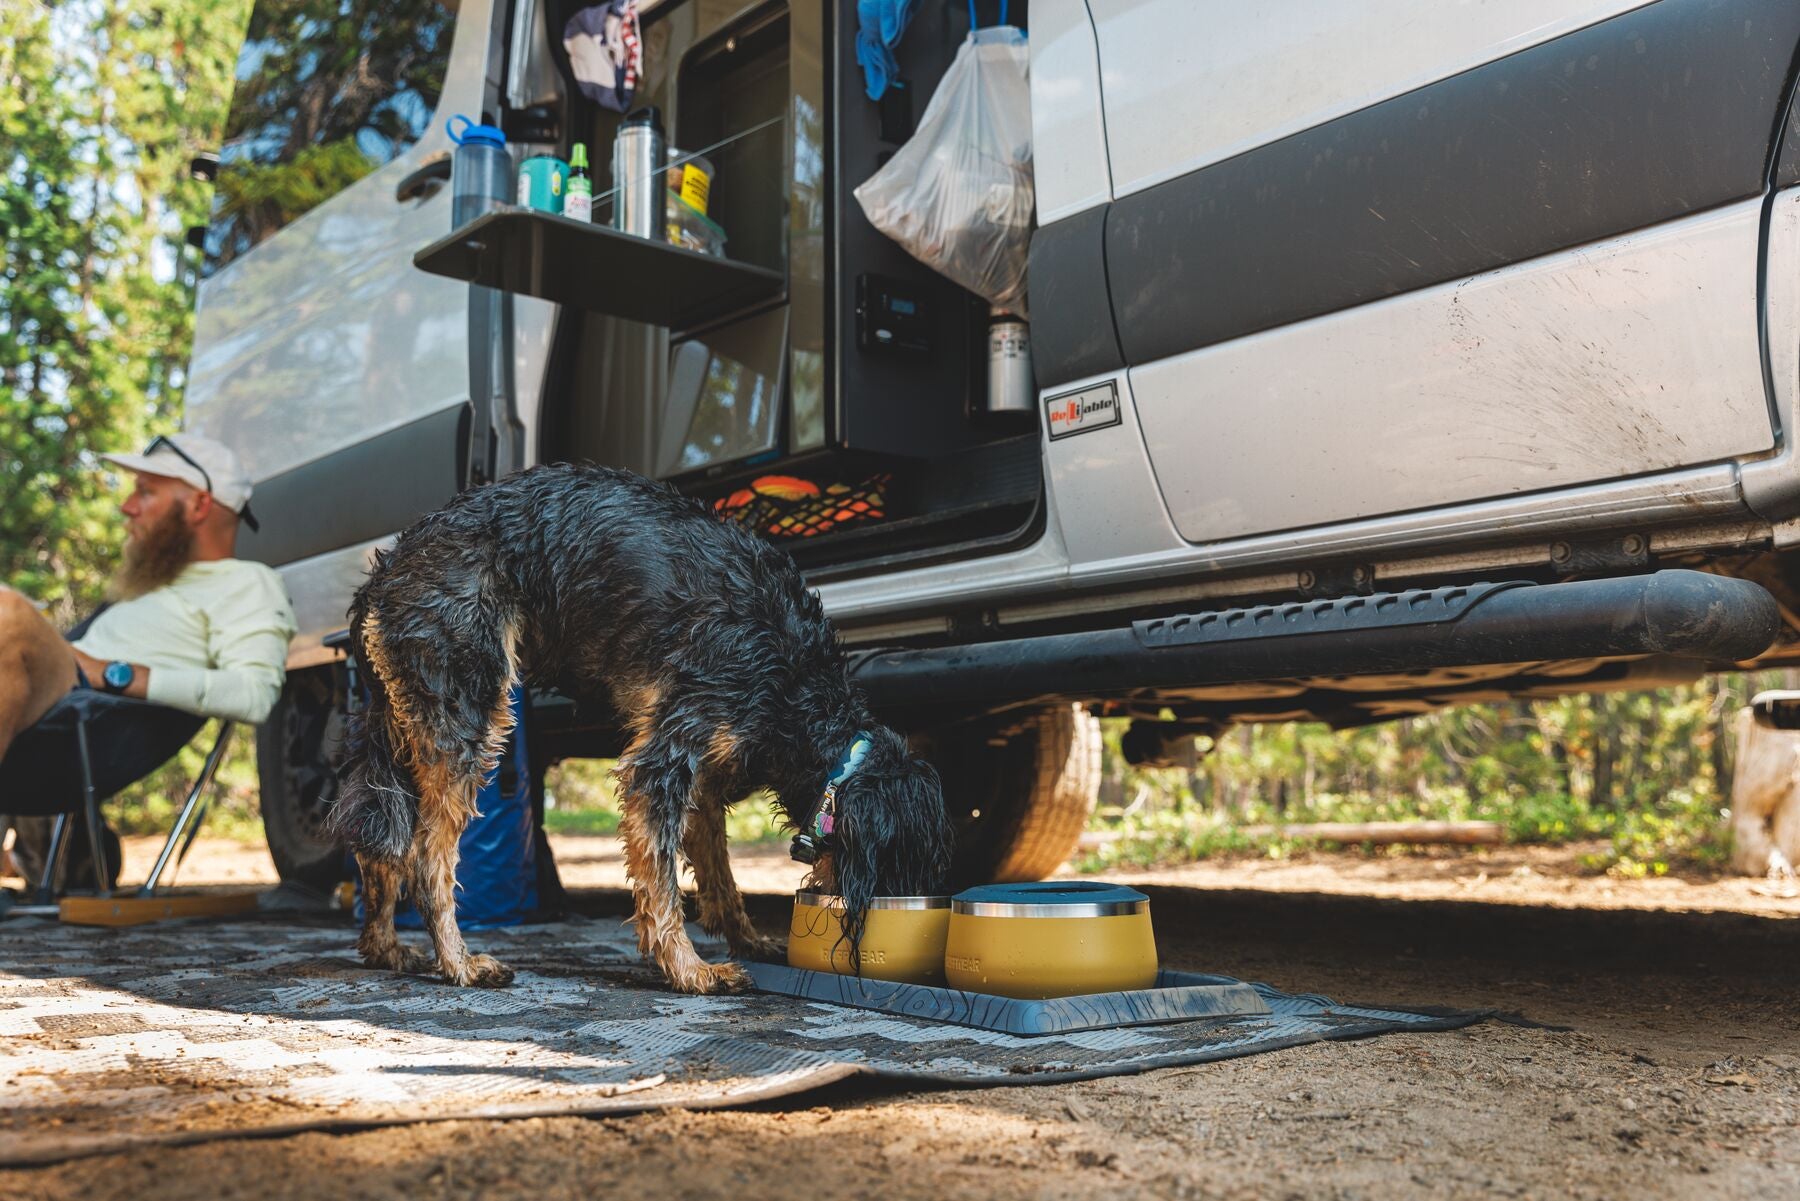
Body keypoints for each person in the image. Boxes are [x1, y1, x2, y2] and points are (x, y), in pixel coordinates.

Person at [0, 434, 296, 887]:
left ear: (199, 505)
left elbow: (255, 695)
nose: (127, 507)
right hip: (43, 718)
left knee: (10, 613)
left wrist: (118, 675)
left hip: (75, 732)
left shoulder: (245, 583)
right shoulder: (145, 589)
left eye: (145, 492)